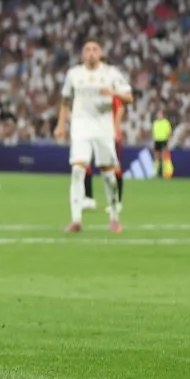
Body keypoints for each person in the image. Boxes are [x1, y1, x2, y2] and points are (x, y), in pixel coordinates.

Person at [54, 40, 133, 234]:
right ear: (82, 54)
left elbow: (129, 98)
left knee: (108, 175)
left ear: (101, 53)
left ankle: (114, 218)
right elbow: (65, 101)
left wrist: (113, 92)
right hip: (80, 126)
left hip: (103, 128)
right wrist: (61, 125)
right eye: (87, 49)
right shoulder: (74, 74)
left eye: (95, 49)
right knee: (77, 170)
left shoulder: (111, 73)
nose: (91, 53)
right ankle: (76, 220)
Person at [82, 94, 125, 212]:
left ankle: (117, 202)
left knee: (113, 168)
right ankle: (89, 198)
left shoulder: (110, 94)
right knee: (86, 163)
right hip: (96, 135)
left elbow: (120, 108)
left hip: (110, 136)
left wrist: (115, 128)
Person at [152, 110, 174, 178]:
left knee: (164, 157)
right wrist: (153, 143)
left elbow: (169, 133)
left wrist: (168, 142)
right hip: (157, 141)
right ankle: (155, 172)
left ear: (163, 115)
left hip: (164, 141)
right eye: (158, 114)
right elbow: (154, 133)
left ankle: (166, 173)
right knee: (156, 157)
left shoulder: (166, 122)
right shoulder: (155, 123)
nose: (158, 115)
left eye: (160, 114)